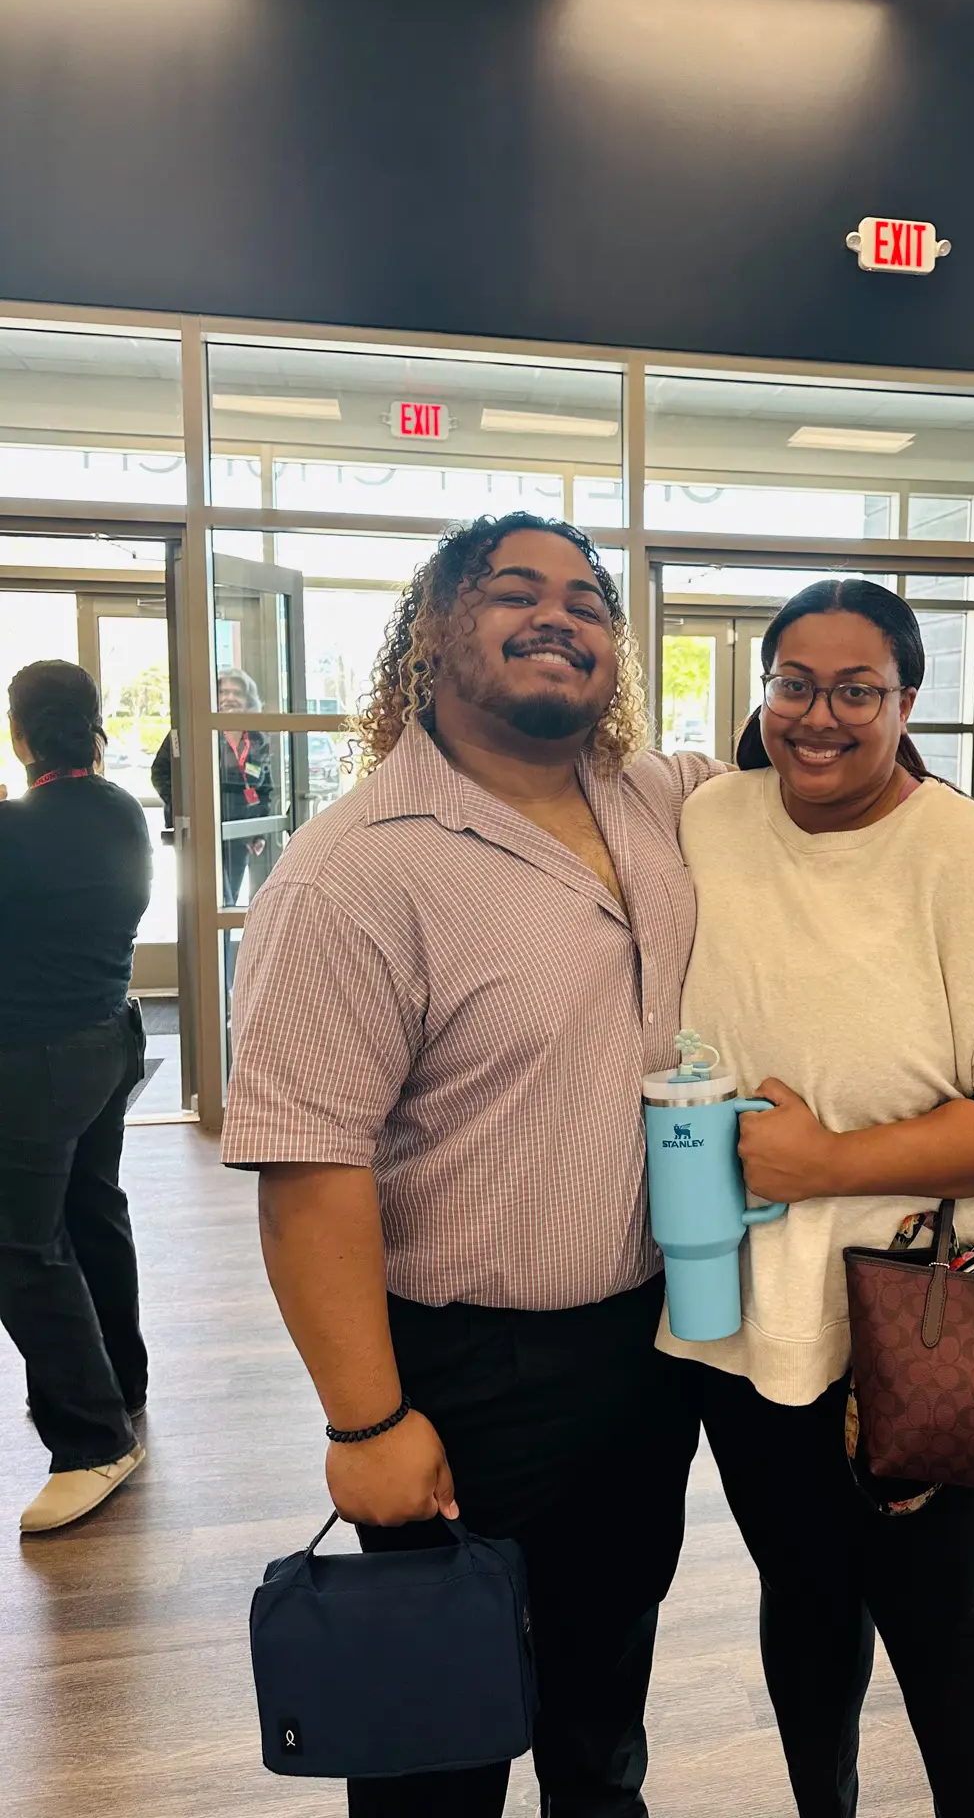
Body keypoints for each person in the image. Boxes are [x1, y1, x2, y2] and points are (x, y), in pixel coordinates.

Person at [221, 512, 721, 1818]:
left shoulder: (658, 800)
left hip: (645, 1351)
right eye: (513, 590)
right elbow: (308, 1168)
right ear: (433, 633)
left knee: (602, 1720)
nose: (558, 614)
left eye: (588, 600)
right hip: (459, 1374)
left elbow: (828, 767)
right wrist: (366, 1423)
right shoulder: (354, 872)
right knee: (436, 1751)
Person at [659, 579, 974, 1818]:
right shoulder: (711, 818)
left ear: (906, 702)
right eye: (795, 685)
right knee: (802, 1596)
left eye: (856, 690)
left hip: (928, 1313)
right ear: (763, 691)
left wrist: (828, 1163)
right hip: (739, 1305)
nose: (820, 716)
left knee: (935, 1610)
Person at [0, 661, 151, 1533]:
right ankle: (119, 1384)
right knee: (92, 1212)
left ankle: (93, 1440)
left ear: (19, 733)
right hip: (108, 1041)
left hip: (35, 1059)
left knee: (20, 1245)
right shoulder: (120, 810)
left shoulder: (16, 829)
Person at [151, 667, 274, 905]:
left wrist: (258, 831)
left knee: (229, 901)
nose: (229, 698)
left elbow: (264, 789)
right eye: (223, 692)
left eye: (237, 693)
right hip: (202, 831)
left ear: (247, 700)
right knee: (214, 901)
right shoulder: (192, 731)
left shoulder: (257, 738)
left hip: (239, 833)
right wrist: (183, 805)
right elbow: (160, 772)